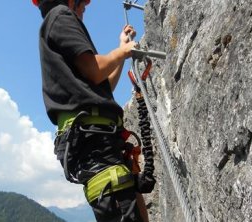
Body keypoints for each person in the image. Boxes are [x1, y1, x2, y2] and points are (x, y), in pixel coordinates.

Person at [32, 0, 149, 221]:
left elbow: (104, 85)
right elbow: (95, 70)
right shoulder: (60, 16)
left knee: (131, 204)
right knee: (123, 206)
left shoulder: (56, 23)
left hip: (96, 139)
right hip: (95, 140)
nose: (86, 4)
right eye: (83, 0)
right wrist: (122, 51)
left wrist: (121, 48)